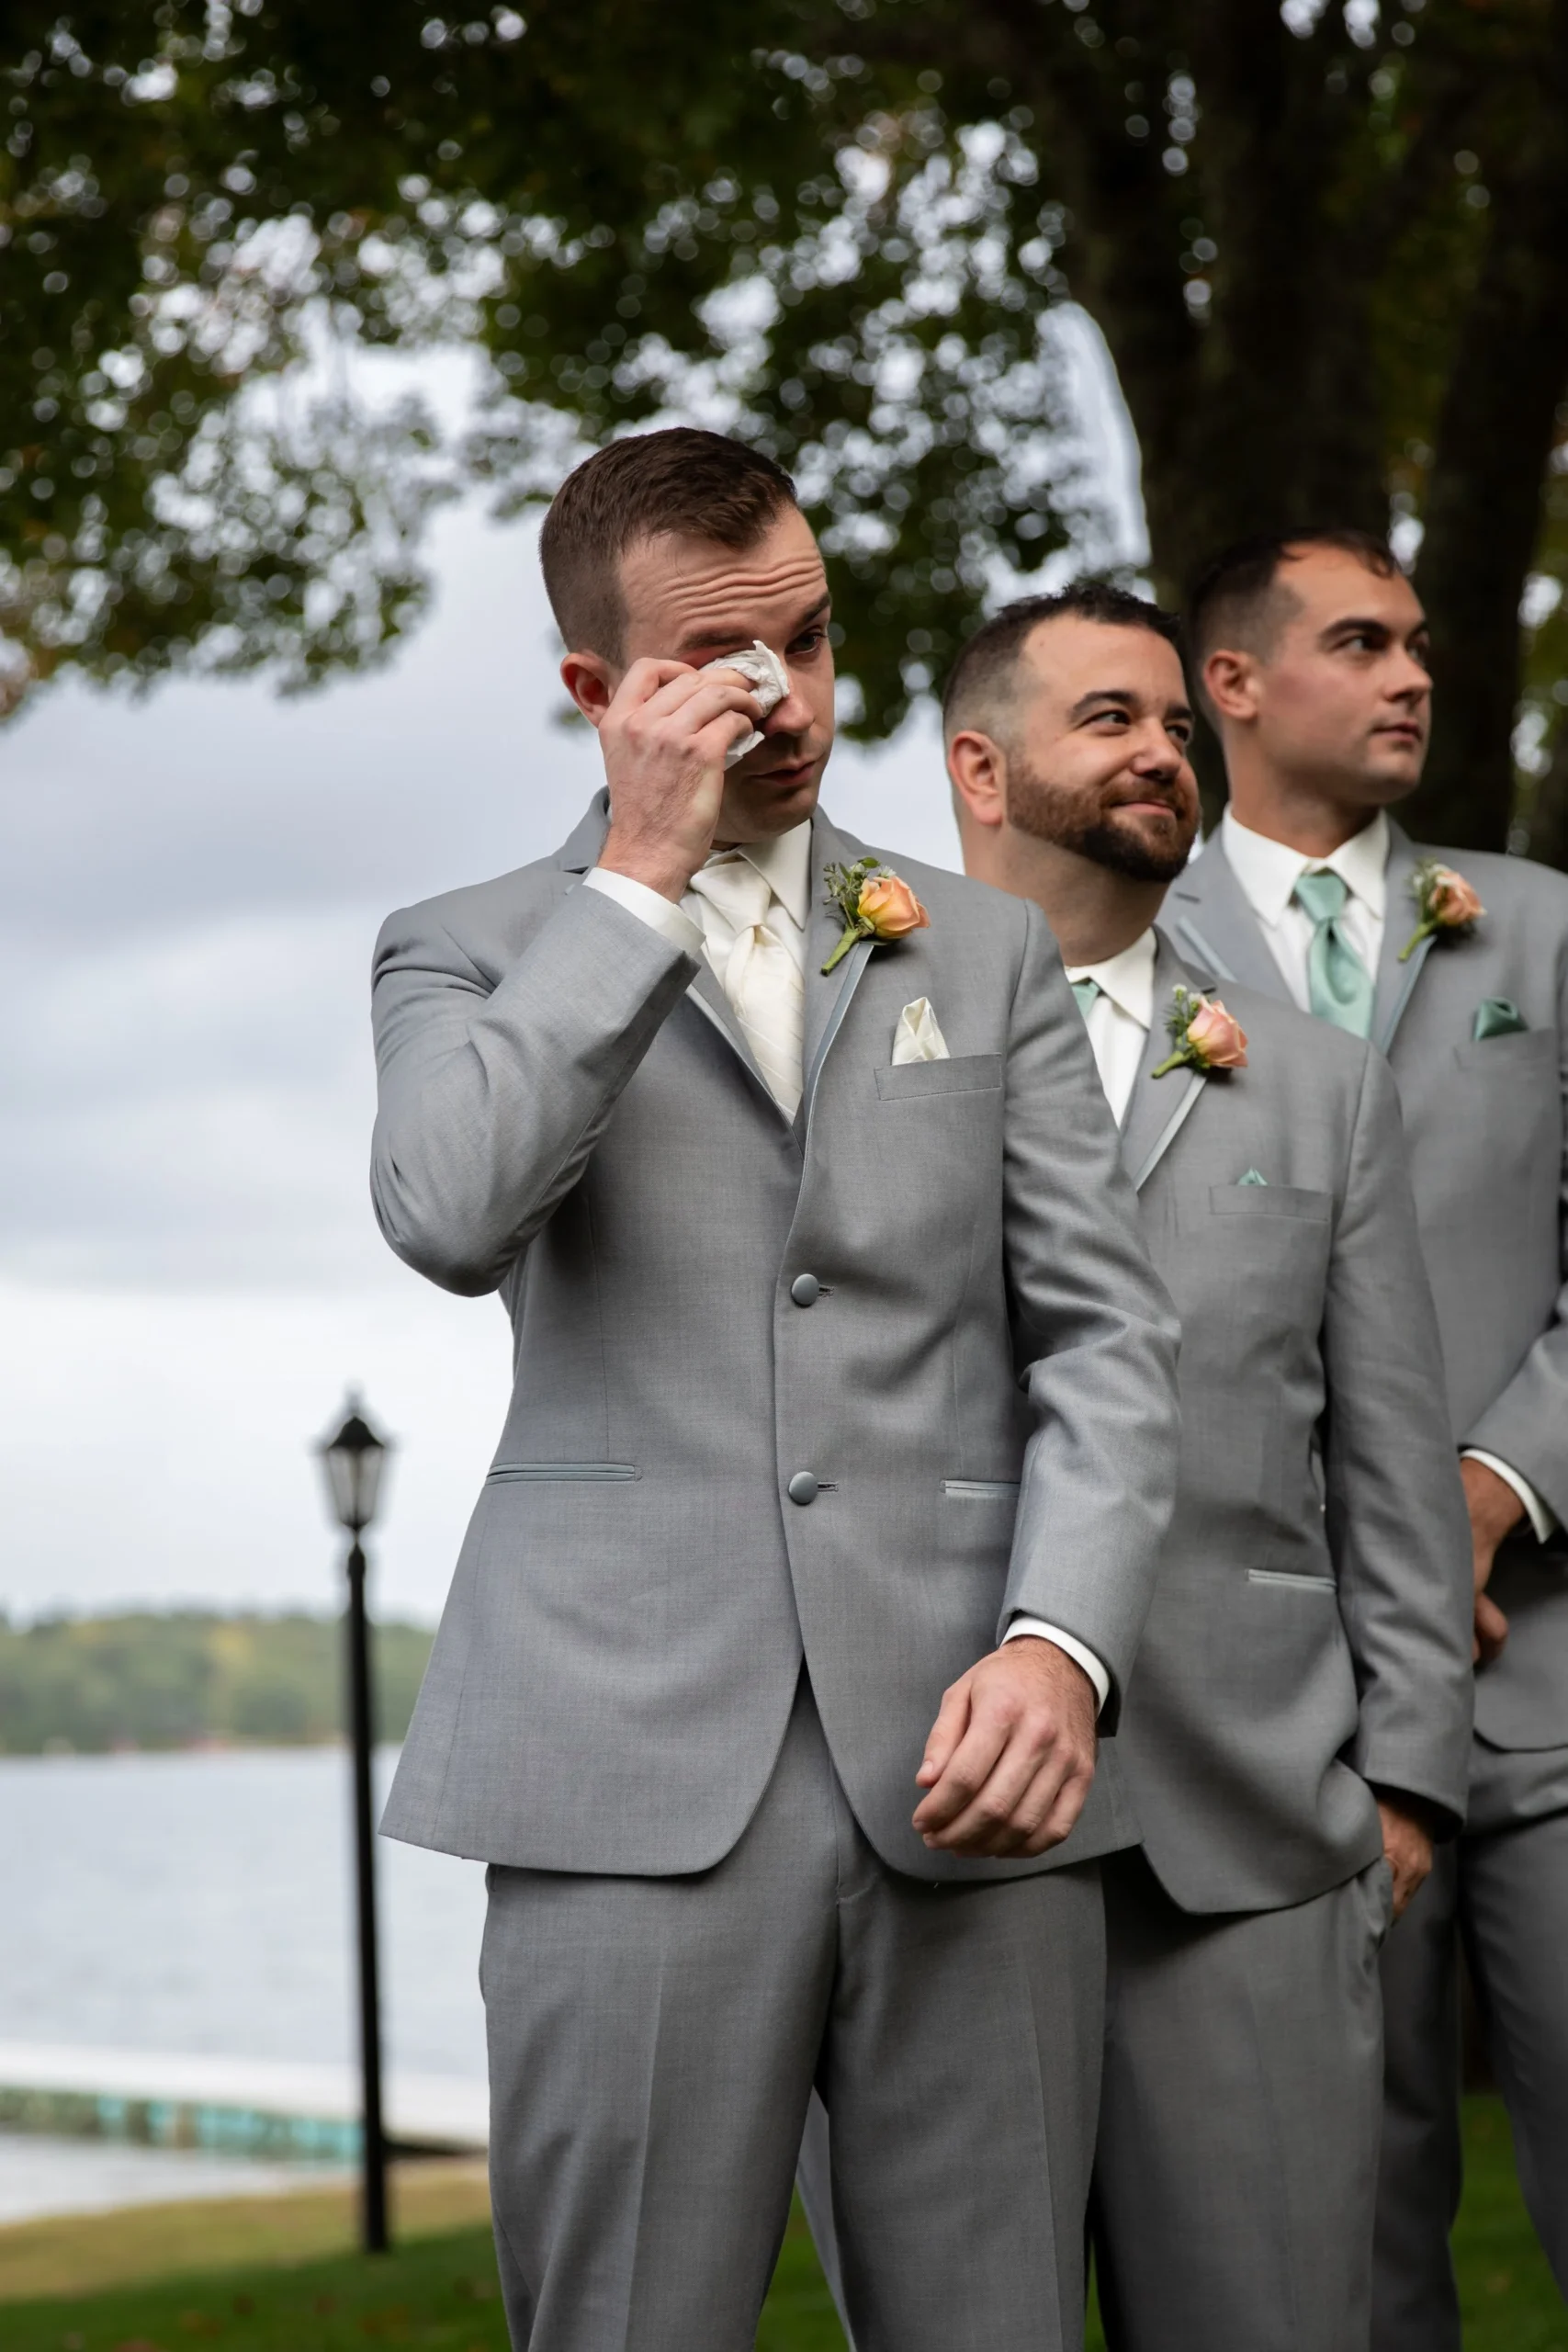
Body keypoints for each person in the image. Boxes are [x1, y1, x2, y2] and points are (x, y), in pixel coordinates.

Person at [367, 430, 1181, 2352]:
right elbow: (449, 1213)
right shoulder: (467, 947)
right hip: (619, 1776)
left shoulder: (986, 948)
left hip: (972, 1778)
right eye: (724, 661)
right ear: (599, 688)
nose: (789, 699)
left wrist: (1062, 1648)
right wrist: (640, 875)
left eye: (808, 639)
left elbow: (1104, 1339)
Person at [798, 582, 1473, 2352]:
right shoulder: (822, 1040)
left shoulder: (1317, 1086)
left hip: (1243, 1842)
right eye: (1108, 718)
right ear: (976, 768)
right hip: (921, 1826)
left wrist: (1402, 1789)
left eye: (1178, 724)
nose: (1164, 752)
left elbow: (1389, 1462)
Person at [1171, 528, 1568, 2344]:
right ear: (1233, 682)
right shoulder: (1122, 946)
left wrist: (1484, 1494)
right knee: (1342, 2244)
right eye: (1356, 641)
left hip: (1543, 1679)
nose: (1411, 672)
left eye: (1415, 640)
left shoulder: (1541, 927)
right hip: (1273, 1714)